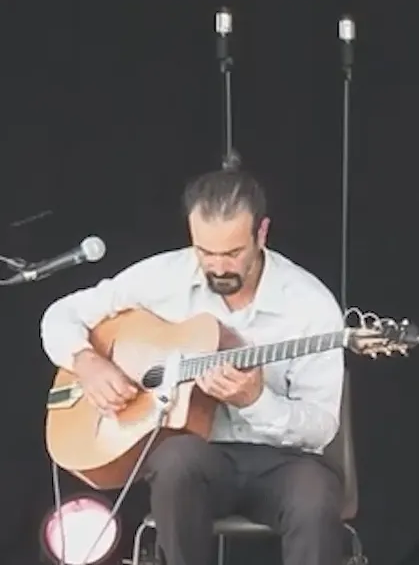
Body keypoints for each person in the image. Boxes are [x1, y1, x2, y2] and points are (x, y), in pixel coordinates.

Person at [40, 163, 348, 565]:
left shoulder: (309, 304)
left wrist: (256, 401)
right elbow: (61, 315)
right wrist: (87, 361)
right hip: (200, 458)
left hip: (282, 462)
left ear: (262, 233)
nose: (218, 266)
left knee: (316, 494)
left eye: (233, 253)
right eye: (205, 252)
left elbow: (321, 427)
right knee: (175, 462)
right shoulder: (163, 277)